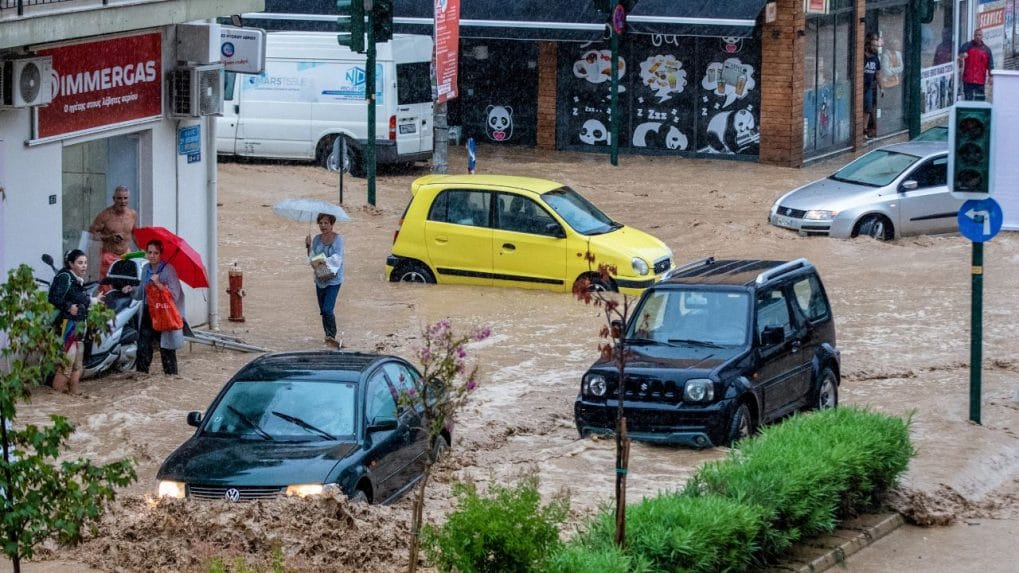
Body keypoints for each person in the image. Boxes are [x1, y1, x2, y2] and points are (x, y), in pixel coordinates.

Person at [47, 249, 105, 394]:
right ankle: (56, 400)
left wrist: (94, 301)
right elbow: (53, 297)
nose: (84, 266)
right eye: (80, 263)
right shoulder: (65, 277)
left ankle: (74, 394)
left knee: (77, 364)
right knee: (66, 364)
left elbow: (79, 298)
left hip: (80, 324)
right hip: (68, 325)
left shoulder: (77, 280)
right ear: (71, 264)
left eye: (85, 263)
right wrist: (68, 307)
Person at [125, 240, 184, 375]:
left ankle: (171, 377)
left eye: (156, 253)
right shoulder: (145, 268)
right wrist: (131, 289)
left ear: (161, 254)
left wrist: (159, 285)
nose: (152, 256)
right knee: (143, 347)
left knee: (166, 348)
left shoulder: (168, 270)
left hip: (164, 313)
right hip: (148, 312)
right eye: (150, 252)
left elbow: (175, 294)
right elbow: (141, 291)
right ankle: (141, 375)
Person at [305, 213, 345, 348]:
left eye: (326, 223)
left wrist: (321, 260)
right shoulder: (316, 239)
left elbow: (337, 259)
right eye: (321, 223)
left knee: (328, 309)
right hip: (320, 279)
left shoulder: (338, 240)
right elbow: (311, 258)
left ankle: (332, 335)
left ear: (332, 224)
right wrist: (308, 247)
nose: (323, 226)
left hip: (334, 280)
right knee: (323, 310)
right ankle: (327, 336)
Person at [89, 185, 138, 284]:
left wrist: (142, 250)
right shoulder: (105, 215)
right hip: (109, 256)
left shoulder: (132, 214)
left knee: (127, 285)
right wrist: (109, 237)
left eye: (125, 198)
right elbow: (92, 234)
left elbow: (134, 233)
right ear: (114, 199)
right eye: (119, 198)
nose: (122, 201)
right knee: (107, 287)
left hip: (126, 255)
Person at [959, 29, 994, 101]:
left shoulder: (986, 50)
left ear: (982, 36)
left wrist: (991, 76)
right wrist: (962, 55)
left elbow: (990, 64)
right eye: (976, 35)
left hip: (980, 79)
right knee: (968, 99)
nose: (977, 37)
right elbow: (959, 54)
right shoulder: (967, 46)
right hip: (968, 78)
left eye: (979, 35)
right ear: (974, 36)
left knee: (980, 99)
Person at [863, 33, 883, 139]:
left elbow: (878, 73)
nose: (875, 48)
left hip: (869, 87)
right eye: (873, 46)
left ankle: (864, 129)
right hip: (860, 86)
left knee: (868, 108)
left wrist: (881, 87)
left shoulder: (875, 59)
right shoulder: (862, 57)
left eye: (876, 46)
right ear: (868, 46)